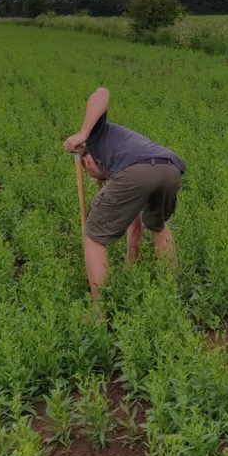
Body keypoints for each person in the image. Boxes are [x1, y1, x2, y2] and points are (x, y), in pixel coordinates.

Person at [63, 87, 185, 299]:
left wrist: (83, 133)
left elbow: (102, 93)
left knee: (93, 235)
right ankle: (171, 293)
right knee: (157, 225)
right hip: (170, 168)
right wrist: (131, 269)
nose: (93, 176)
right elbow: (134, 226)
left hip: (138, 170)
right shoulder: (119, 152)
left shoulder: (95, 136)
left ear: (87, 161)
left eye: (90, 172)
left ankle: (100, 308)